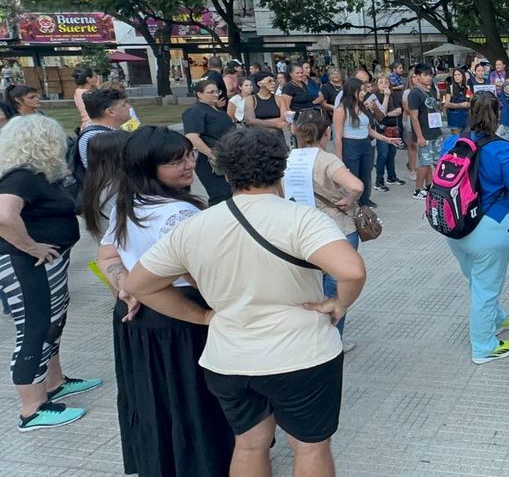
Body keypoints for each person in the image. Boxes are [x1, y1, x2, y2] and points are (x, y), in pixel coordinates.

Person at [124, 127, 366, 475]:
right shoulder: (301, 219)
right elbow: (352, 271)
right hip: (302, 354)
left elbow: (139, 284)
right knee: (310, 448)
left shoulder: (196, 225)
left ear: (223, 170)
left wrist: (203, 317)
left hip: (229, 356)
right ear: (281, 167)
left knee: (249, 443)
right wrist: (339, 303)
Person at [90, 126, 234, 475]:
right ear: (147, 167)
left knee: (153, 397)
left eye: (189, 156)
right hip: (180, 315)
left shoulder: (131, 202)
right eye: (175, 162)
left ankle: (162, 462)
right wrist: (214, 313)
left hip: (137, 316)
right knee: (192, 400)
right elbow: (202, 274)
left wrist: (125, 285)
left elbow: (107, 255)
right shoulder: (180, 215)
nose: (187, 166)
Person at [0, 115, 103, 431]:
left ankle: (54, 382)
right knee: (35, 327)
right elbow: (4, 216)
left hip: (48, 263)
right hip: (26, 264)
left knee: (52, 323)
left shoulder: (38, 175)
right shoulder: (20, 176)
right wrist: (32, 247)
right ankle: (32, 409)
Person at [438, 93, 509, 363]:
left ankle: (498, 317)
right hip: (489, 229)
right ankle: (484, 346)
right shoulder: (504, 149)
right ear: (498, 115)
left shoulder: (453, 142)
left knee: (476, 280)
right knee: (485, 288)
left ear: (470, 112)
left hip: (454, 225)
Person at [288, 109, 365, 340]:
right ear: (327, 133)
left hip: (302, 230)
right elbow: (357, 186)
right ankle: (333, 340)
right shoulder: (327, 160)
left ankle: (310, 336)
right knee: (336, 293)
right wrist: (350, 199)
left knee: (310, 290)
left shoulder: (288, 159)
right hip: (336, 228)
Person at [334, 78, 400, 208]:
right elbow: (337, 137)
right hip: (350, 145)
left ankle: (364, 204)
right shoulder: (341, 110)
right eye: (362, 91)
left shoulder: (362, 106)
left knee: (366, 176)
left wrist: (387, 139)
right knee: (353, 179)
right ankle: (352, 206)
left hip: (365, 144)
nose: (365, 93)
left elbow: (368, 130)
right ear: (353, 91)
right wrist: (339, 160)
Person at [182, 80, 236, 204]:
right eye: (210, 92)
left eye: (217, 91)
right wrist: (213, 155)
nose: (215, 94)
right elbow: (192, 137)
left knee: (232, 193)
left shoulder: (218, 110)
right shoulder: (195, 111)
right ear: (199, 94)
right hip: (210, 161)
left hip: (228, 156)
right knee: (221, 195)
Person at [408, 63, 443, 199]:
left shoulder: (431, 90)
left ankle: (429, 186)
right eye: (425, 75)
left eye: (430, 75)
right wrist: (420, 136)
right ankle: (418, 189)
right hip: (424, 133)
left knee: (432, 161)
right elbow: (414, 117)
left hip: (435, 130)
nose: (428, 78)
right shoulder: (415, 93)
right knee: (423, 162)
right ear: (417, 76)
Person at [78, 88, 133, 169]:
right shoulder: (99, 138)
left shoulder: (93, 133)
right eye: (124, 105)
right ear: (110, 112)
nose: (129, 107)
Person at [373, 77, 406, 188]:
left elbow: (399, 110)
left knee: (392, 154)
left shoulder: (394, 95)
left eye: (386, 82)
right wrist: (386, 97)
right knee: (383, 154)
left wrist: (386, 113)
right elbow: (380, 112)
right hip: (381, 129)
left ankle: (391, 176)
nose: (384, 84)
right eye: (381, 82)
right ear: (377, 85)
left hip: (393, 127)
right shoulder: (376, 97)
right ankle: (379, 180)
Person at [243, 71, 288, 138]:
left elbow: (283, 119)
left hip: (277, 137)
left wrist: (258, 122)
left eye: (274, 81)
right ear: (259, 83)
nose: (273, 83)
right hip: (258, 138)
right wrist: (276, 124)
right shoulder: (250, 99)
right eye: (269, 81)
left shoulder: (279, 99)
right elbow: (249, 120)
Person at [444, 68, 471, 135]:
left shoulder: (468, 88)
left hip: (466, 116)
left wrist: (469, 104)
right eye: (455, 75)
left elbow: (470, 101)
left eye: (459, 74)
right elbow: (446, 104)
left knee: (466, 137)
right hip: (454, 117)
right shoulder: (450, 88)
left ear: (463, 76)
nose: (457, 77)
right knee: (455, 139)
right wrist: (460, 105)